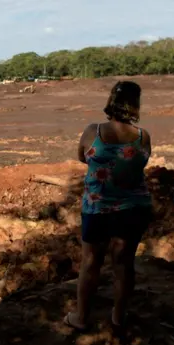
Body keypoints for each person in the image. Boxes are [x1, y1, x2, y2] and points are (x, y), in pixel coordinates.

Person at [64, 81, 153, 331]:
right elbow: (140, 164)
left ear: (110, 101)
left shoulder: (93, 131)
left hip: (97, 206)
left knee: (90, 261)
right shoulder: (142, 136)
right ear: (136, 105)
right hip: (134, 207)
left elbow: (82, 156)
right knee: (124, 263)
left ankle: (81, 318)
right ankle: (118, 317)